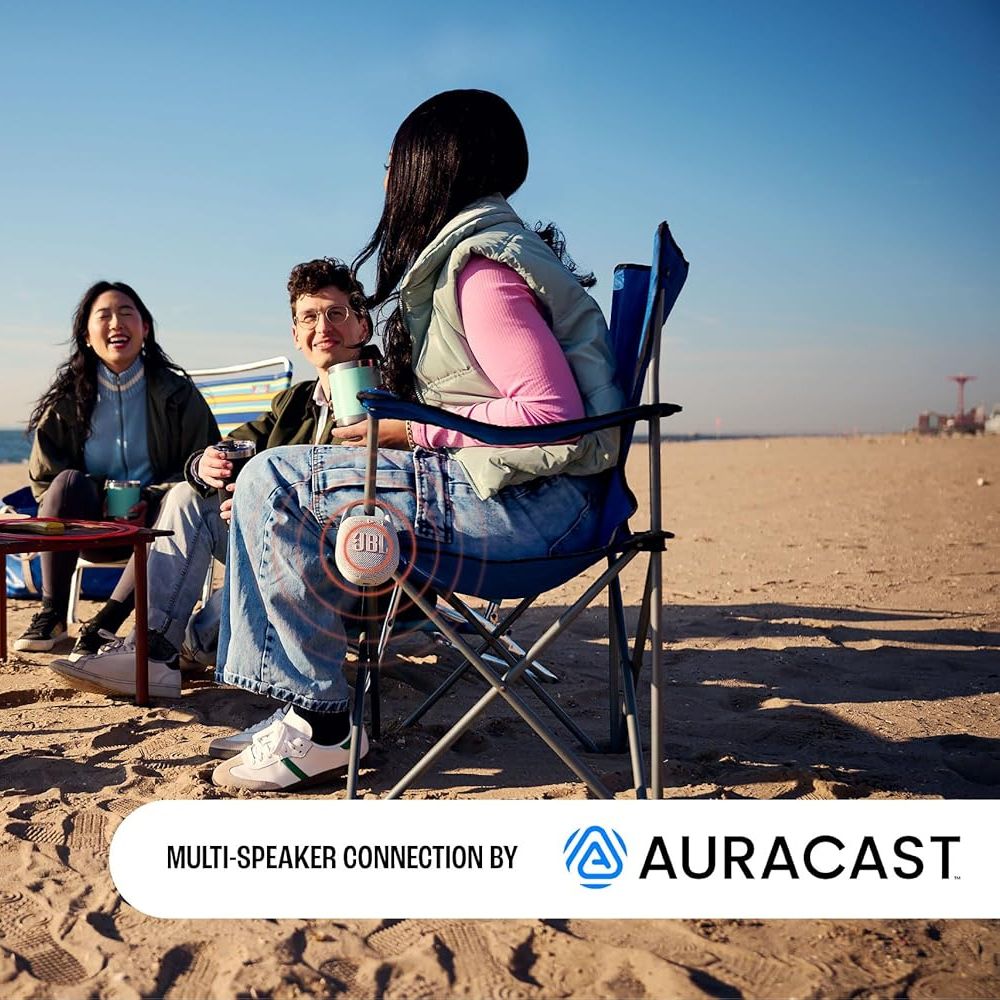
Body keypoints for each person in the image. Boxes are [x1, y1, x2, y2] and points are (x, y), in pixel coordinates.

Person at [209, 88, 623, 792]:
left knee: (273, 481)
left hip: (535, 509)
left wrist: (408, 430)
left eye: (392, 164)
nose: (384, 182)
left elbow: (548, 416)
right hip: (535, 494)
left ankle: (321, 724)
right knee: (280, 475)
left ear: (433, 166)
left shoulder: (481, 272)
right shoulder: (480, 255)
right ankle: (303, 706)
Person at [50, 258, 375, 703]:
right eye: (309, 317)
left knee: (213, 627)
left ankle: (176, 645)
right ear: (295, 334)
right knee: (187, 496)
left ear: (362, 325)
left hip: (350, 564)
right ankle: (152, 653)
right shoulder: (294, 404)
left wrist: (266, 501)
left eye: (336, 313)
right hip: (279, 552)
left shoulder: (385, 401)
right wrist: (204, 464)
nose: (322, 327)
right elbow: (224, 447)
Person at [15, 281, 218, 653]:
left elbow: (203, 467)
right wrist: (98, 495)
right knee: (66, 482)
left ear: (145, 328)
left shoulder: (178, 395)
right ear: (86, 335)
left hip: (156, 525)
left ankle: (105, 623)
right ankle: (52, 614)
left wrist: (150, 496)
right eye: (104, 315)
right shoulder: (67, 400)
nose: (116, 323)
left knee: (180, 499)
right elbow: (45, 480)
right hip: (86, 528)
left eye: (127, 313)